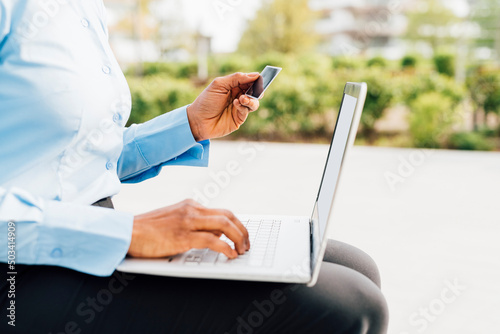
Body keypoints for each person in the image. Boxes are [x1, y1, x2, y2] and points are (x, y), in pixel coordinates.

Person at [0, 1, 388, 333]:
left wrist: (191, 124)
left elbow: (77, 158)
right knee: (351, 305)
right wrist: (126, 233)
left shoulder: (85, 9)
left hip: (91, 238)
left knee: (355, 267)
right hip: (20, 276)